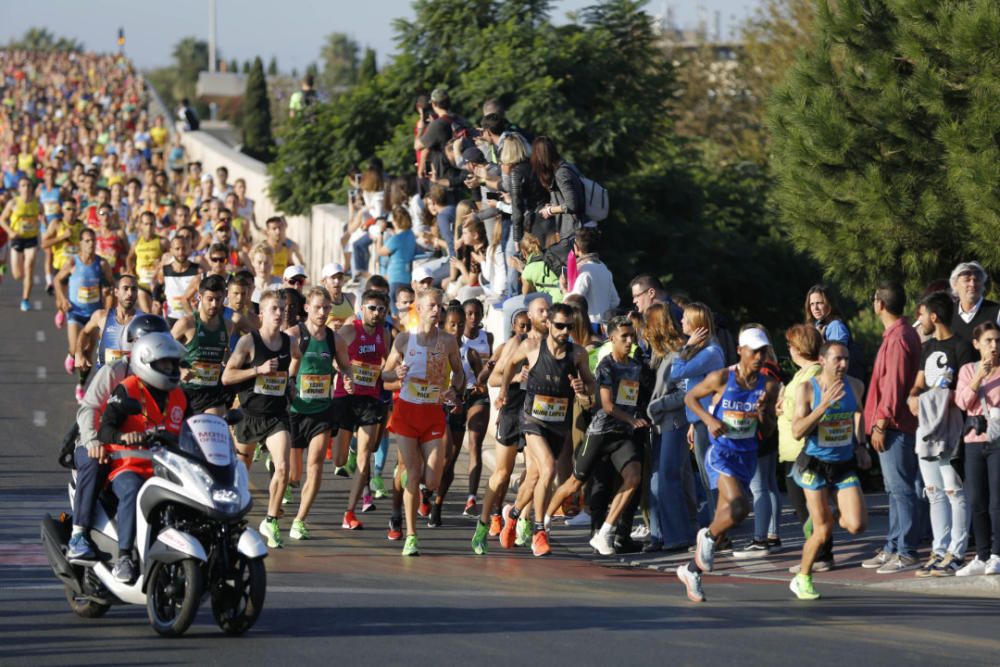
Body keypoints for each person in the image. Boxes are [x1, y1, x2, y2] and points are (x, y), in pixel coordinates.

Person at [676, 327, 779, 603]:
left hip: (747, 456)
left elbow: (769, 430)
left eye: (763, 351)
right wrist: (708, 421)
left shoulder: (769, 386)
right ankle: (706, 539)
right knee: (741, 506)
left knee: (728, 518)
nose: (759, 356)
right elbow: (690, 398)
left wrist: (761, 415)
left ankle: (692, 570)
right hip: (721, 454)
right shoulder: (722, 377)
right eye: (754, 351)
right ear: (740, 350)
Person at [496, 302, 596, 557]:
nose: (565, 331)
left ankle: (514, 514)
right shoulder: (531, 347)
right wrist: (505, 391)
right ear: (549, 324)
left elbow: (591, 383)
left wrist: (582, 389)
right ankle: (540, 531)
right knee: (549, 467)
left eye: (569, 327)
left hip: (558, 423)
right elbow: (508, 366)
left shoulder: (577, 354)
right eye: (560, 326)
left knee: (534, 477)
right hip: (532, 419)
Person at [544, 316, 647, 555]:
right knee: (574, 483)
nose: (630, 341)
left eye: (632, 336)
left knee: (633, 478)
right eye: (624, 337)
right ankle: (543, 520)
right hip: (602, 432)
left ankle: (606, 532)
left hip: (624, 435)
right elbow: (608, 405)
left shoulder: (636, 366)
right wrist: (632, 419)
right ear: (611, 339)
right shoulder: (606, 366)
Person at [96, 332, 188, 582]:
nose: (170, 368)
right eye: (164, 364)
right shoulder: (127, 389)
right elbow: (105, 429)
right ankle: (125, 556)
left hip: (166, 468)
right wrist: (125, 438)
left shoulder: (179, 394)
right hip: (128, 466)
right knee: (133, 491)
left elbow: (191, 428)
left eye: (173, 363)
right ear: (146, 362)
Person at [381, 288, 465, 556]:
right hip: (406, 413)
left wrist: (454, 389)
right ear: (418, 308)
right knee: (414, 475)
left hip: (432, 414)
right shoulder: (405, 340)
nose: (436, 311)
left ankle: (409, 481)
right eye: (431, 306)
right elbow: (383, 375)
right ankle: (412, 535)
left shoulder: (449, 341)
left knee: (431, 482)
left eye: (439, 307)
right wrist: (396, 371)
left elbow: (460, 375)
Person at [788, 340, 871, 600]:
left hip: (843, 463)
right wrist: (822, 406)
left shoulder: (855, 385)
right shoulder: (807, 390)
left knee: (857, 525)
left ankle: (826, 513)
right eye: (838, 359)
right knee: (823, 532)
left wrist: (861, 445)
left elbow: (858, 414)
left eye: (846, 359)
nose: (843, 364)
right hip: (814, 465)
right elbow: (797, 431)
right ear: (823, 360)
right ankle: (802, 578)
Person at [223, 289, 301, 548]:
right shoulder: (249, 342)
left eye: (283, 308)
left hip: (276, 416)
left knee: (282, 467)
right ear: (261, 315)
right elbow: (227, 377)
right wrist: (258, 370)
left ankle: (270, 519)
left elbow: (296, 361)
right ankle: (230, 520)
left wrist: (290, 384)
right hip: (249, 414)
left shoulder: (289, 343)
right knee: (239, 476)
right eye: (274, 309)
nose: (281, 313)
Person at [907, 291, 974, 576]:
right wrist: (912, 396)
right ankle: (939, 548)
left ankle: (956, 552)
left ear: (934, 316)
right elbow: (919, 383)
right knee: (933, 492)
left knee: (954, 491)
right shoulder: (929, 346)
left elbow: (963, 389)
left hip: (951, 428)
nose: (919, 320)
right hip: (926, 428)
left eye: (921, 314)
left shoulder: (961, 346)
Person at [861, 281, 924, 574]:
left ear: (879, 304)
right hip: (893, 424)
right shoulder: (898, 334)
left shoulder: (899, 337)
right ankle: (893, 545)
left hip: (895, 425)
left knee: (901, 489)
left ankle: (907, 550)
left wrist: (881, 422)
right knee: (894, 489)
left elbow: (894, 385)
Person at [287, 287, 351, 540]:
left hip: (322, 410)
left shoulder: (335, 340)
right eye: (317, 307)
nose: (323, 312)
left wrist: (347, 379)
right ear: (306, 308)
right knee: (294, 475)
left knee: (315, 466)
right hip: (295, 410)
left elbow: (346, 368)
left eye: (326, 308)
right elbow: (283, 369)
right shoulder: (293, 336)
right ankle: (281, 475)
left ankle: (299, 520)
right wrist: (289, 385)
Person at [470, 306, 534, 552]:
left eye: (529, 325)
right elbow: (493, 379)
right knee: (502, 473)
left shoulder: (541, 346)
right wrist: (516, 378)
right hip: (511, 412)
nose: (526, 330)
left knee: (534, 472)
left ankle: (522, 520)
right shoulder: (509, 347)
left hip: (533, 414)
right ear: (514, 327)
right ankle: (484, 524)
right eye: (522, 326)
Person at [329, 289, 390, 531]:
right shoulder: (350, 330)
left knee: (366, 456)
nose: (377, 313)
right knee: (340, 459)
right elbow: (334, 357)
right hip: (346, 397)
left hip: (370, 399)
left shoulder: (383, 334)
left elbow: (388, 361)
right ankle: (349, 451)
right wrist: (344, 373)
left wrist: (392, 374)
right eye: (372, 308)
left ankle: (350, 512)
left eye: (381, 309)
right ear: (362, 309)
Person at [777, 325, 832, 573]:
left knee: (808, 510)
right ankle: (819, 552)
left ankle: (819, 555)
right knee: (808, 509)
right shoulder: (804, 374)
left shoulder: (811, 376)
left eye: (790, 345)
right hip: (794, 450)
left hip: (802, 451)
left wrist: (782, 406)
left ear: (799, 348)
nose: (788, 350)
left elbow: (799, 411)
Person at [669, 303, 727, 528]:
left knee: (710, 476)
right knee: (705, 476)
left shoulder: (711, 352)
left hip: (708, 421)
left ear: (696, 324)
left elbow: (677, 373)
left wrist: (686, 347)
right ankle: (716, 526)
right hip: (699, 421)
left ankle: (719, 529)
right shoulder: (704, 351)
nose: (681, 322)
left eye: (685, 318)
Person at [644, 303, 695, 552]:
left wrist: (658, 405)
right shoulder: (665, 354)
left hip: (673, 422)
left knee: (668, 479)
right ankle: (661, 534)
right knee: (659, 480)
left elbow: (685, 392)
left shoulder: (677, 354)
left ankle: (678, 534)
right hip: (663, 424)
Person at [954, 322, 1000, 576]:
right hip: (973, 439)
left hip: (998, 440)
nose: (994, 346)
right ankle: (981, 556)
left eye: (997, 341)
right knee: (977, 500)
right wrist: (979, 377)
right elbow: (961, 402)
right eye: (988, 341)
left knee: (997, 501)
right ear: (976, 344)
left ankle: (997, 554)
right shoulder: (968, 370)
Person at [54, 228, 114, 401]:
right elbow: (57, 280)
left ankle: (81, 385)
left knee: (88, 353)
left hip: (94, 314)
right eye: (87, 241)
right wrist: (62, 299)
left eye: (93, 241)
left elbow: (111, 288)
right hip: (76, 312)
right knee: (75, 348)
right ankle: (71, 354)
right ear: (80, 243)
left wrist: (108, 311)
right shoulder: (72, 262)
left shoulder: (102, 264)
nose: (91, 244)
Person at [171, 274, 233, 416]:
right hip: (185, 391)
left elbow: (226, 353)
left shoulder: (228, 326)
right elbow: (162, 350)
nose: (214, 304)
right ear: (199, 297)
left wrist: (228, 360)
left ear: (224, 297)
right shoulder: (186, 324)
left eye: (218, 299)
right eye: (209, 299)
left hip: (211, 393)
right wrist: (180, 370)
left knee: (213, 428)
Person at [76, 274, 141, 373]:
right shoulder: (101, 317)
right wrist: (79, 354)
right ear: (116, 292)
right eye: (125, 288)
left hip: (132, 381)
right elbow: (85, 332)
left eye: (134, 289)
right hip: (106, 380)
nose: (130, 293)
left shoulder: (144, 321)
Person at [0, 177, 43, 310]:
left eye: (29, 185)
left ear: (32, 188)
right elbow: (2, 219)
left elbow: (42, 216)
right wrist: (10, 232)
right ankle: (22, 264)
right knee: (18, 275)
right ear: (19, 188)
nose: (26, 188)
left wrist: (44, 224)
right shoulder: (13, 203)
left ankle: (25, 299)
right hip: (17, 238)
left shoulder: (37, 203)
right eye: (23, 185)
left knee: (29, 266)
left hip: (31, 239)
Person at [564, 229, 619, 324]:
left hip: (587, 326)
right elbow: (615, 301)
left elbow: (574, 300)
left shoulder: (584, 270)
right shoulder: (604, 268)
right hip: (604, 326)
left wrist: (564, 289)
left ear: (576, 247)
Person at [127, 211, 168, 313]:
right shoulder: (136, 243)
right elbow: (129, 258)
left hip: (158, 285)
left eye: (151, 224)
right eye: (146, 224)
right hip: (142, 284)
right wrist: (131, 272)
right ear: (141, 225)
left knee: (157, 312)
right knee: (146, 313)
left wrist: (162, 262)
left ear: (155, 225)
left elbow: (171, 256)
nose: (149, 227)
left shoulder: (162, 242)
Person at [949, 261, 1000, 342]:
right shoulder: (948, 313)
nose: (972, 284)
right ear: (955, 284)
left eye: (976, 280)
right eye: (967, 280)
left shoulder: (996, 312)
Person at [377, 207, 417, 301]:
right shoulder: (410, 234)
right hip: (407, 278)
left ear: (395, 221)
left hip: (395, 278)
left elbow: (380, 251)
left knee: (395, 311)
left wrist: (381, 232)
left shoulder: (396, 239)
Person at [157, 235, 199, 327]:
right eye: (177, 249)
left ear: (189, 249)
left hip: (191, 318)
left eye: (184, 248)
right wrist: (156, 301)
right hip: (171, 318)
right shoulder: (164, 271)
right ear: (171, 250)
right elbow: (157, 288)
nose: (181, 252)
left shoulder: (198, 270)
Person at [320, 262, 356, 328]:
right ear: (324, 281)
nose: (337, 281)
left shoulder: (351, 297)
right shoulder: (320, 301)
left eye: (340, 277)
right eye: (333, 278)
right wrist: (328, 327)